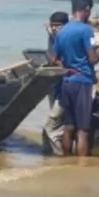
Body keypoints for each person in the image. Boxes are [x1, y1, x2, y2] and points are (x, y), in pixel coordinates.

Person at [53, 0, 99, 157]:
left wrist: (68, 68)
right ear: (86, 9)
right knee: (83, 129)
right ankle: (81, 166)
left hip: (67, 82)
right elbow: (91, 59)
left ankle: (66, 161)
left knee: (68, 126)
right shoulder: (86, 31)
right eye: (89, 10)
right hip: (82, 82)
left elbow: (55, 58)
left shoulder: (62, 32)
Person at [42, 11, 69, 155]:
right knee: (60, 124)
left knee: (50, 128)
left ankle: (58, 158)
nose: (54, 28)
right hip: (57, 87)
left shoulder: (66, 40)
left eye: (57, 25)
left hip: (67, 88)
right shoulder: (54, 38)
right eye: (52, 25)